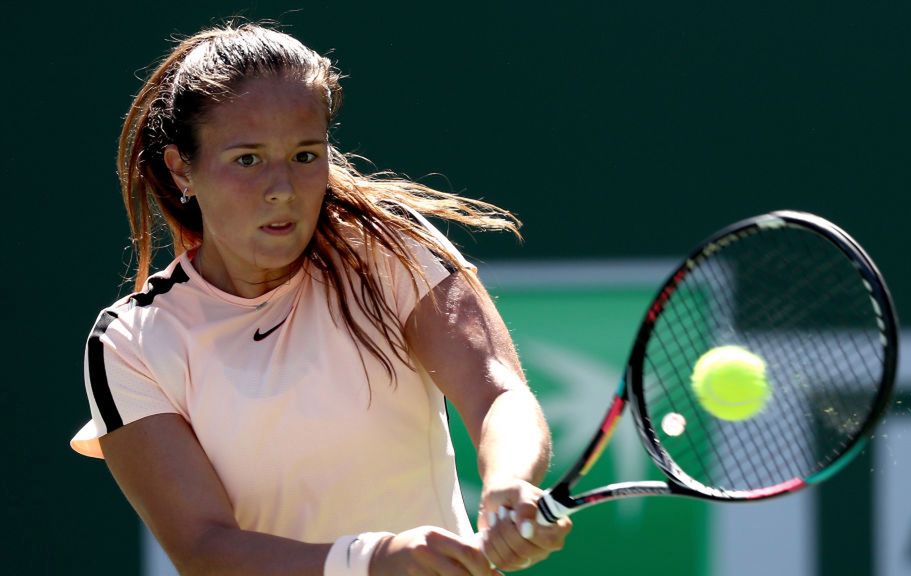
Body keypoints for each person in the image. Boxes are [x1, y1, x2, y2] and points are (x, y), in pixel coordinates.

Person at [70, 21, 571, 576]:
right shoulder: (131, 343)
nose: (282, 187)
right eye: (247, 159)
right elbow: (203, 548)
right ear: (181, 167)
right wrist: (372, 561)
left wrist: (507, 484)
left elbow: (497, 390)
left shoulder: (389, 249)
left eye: (305, 156)